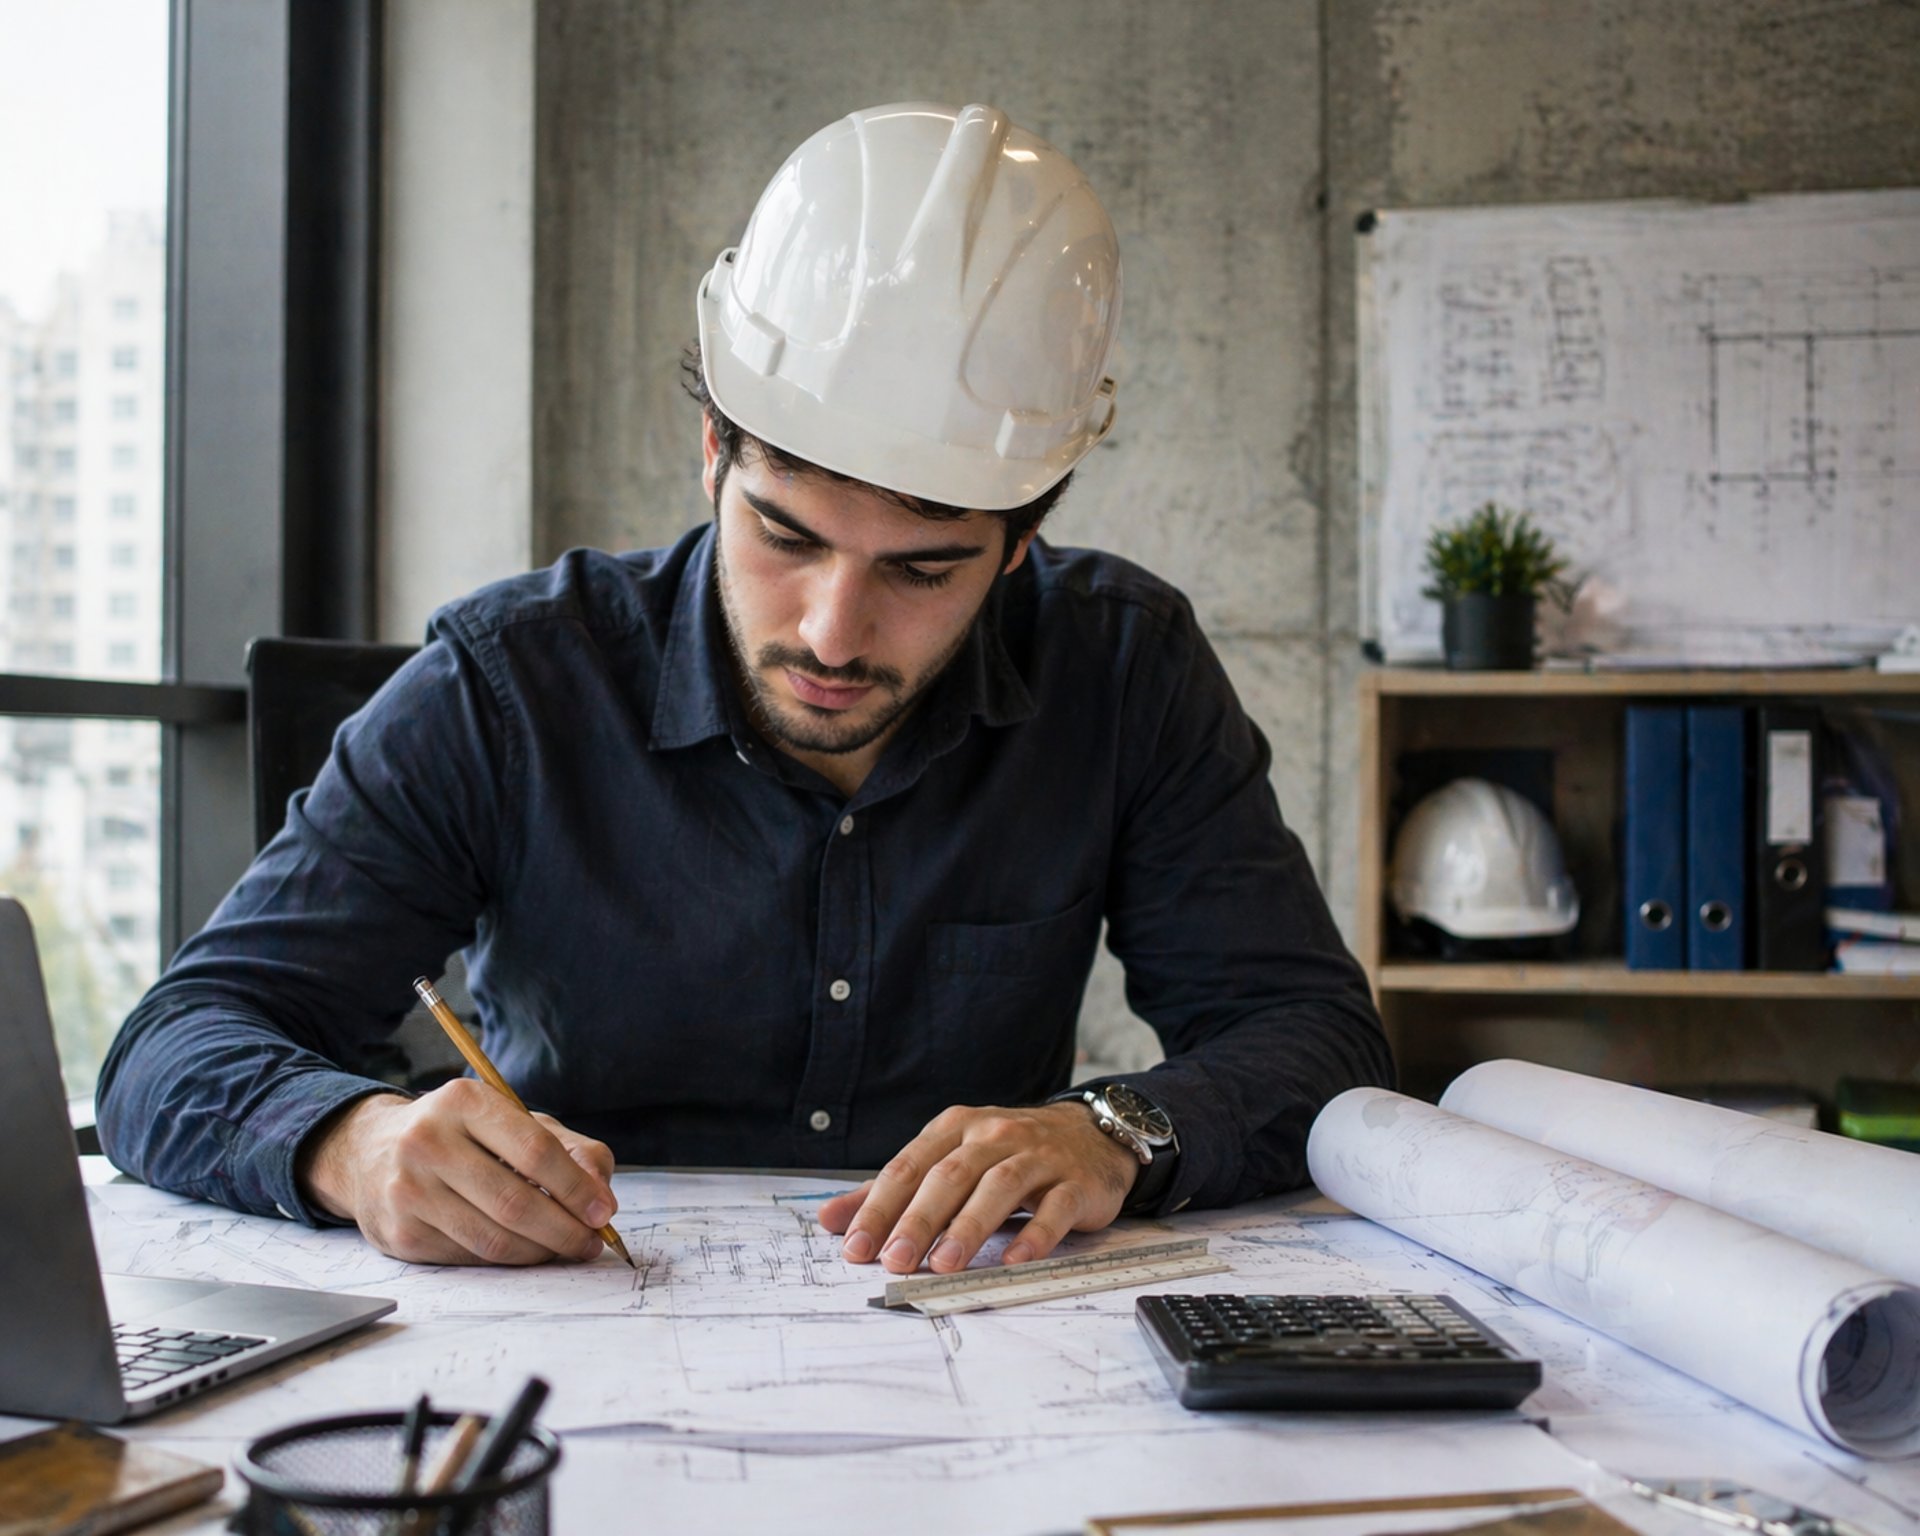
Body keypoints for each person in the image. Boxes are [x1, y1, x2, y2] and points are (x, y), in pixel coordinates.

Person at [96, 102, 1390, 1276]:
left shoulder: (1121, 668)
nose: (834, 633)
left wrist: (1115, 1129)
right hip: (570, 1333)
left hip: (967, 1341)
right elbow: (176, 1043)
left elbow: (1318, 1040)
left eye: (924, 570)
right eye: (786, 535)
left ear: (1021, 540)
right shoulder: (512, 686)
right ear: (714, 450)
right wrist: (354, 1143)